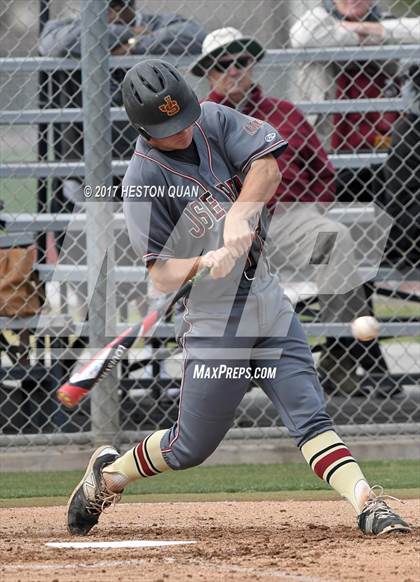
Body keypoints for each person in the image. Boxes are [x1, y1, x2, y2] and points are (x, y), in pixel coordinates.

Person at [65, 59, 410, 538]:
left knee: (309, 417)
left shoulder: (213, 118)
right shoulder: (143, 180)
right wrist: (200, 263)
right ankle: (107, 476)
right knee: (191, 446)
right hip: (214, 321)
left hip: (266, 299)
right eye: (168, 128)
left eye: (184, 117)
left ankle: (368, 504)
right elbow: (162, 276)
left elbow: (266, 169)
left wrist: (239, 216)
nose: (182, 131)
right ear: (143, 129)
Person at [191, 27, 385, 395]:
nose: (234, 70)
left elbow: (322, 171)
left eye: (241, 61)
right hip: (229, 226)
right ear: (209, 72)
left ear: (252, 65)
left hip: (291, 218)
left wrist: (310, 211)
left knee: (334, 237)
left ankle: (339, 360)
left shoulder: (285, 113)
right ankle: (236, 367)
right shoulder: (199, 121)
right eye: (223, 63)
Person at [290, 0, 420, 200]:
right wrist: (369, 39)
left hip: (385, 140)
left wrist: (368, 28)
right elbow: (302, 37)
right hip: (326, 144)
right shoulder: (319, 19)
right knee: (329, 224)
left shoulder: (384, 21)